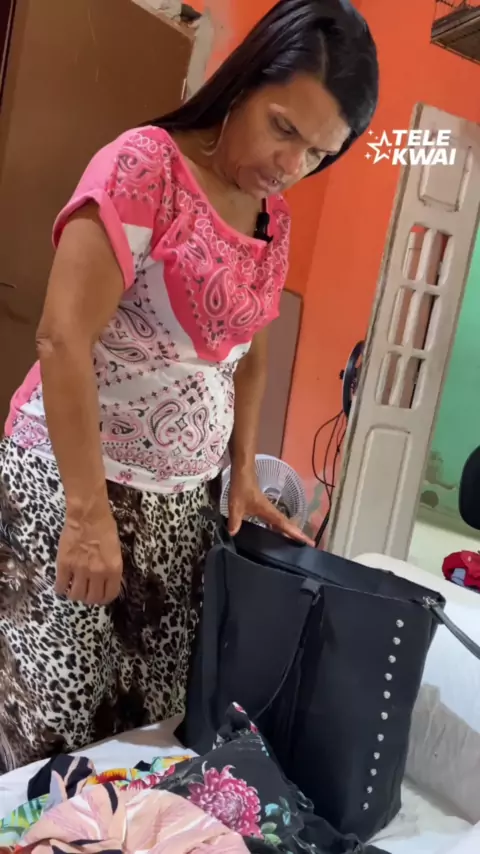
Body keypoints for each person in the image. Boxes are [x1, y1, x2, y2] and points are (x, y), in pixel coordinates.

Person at [0, 0, 378, 772]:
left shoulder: (272, 217)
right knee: (55, 729)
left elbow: (250, 353)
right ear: (244, 83)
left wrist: (242, 473)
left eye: (319, 152)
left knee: (156, 721)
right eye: (283, 128)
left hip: (184, 502)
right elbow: (62, 337)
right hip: (76, 484)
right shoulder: (147, 168)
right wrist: (87, 516)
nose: (291, 165)